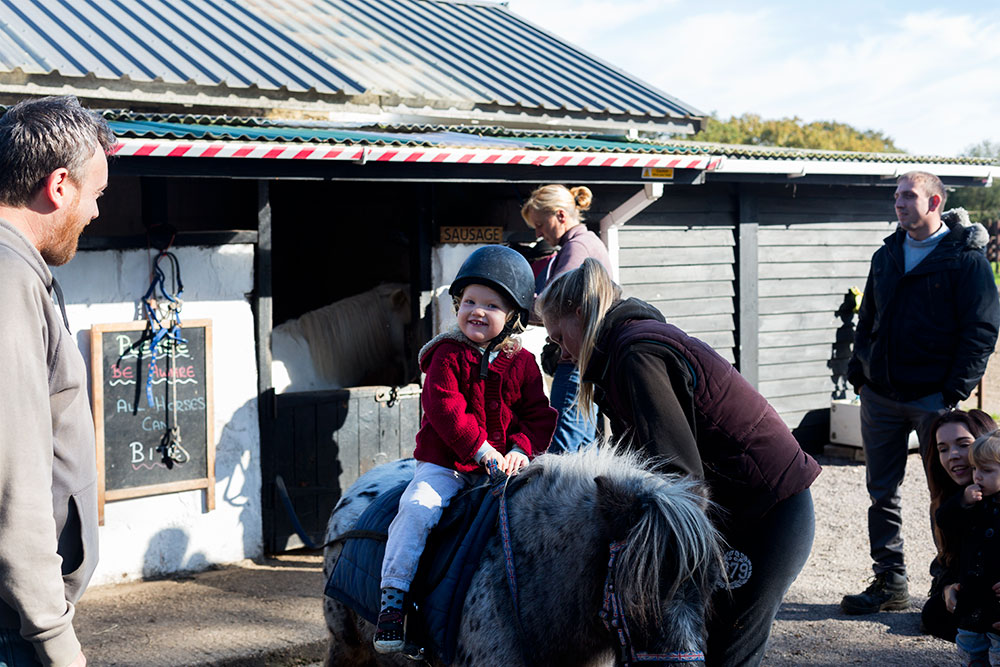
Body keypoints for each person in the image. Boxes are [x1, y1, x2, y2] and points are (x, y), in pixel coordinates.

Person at [536, 258, 820, 667]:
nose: (562, 353)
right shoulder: (627, 348)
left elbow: (677, 477)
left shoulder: (637, 355)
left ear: (581, 315)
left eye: (561, 337)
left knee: (727, 651)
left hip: (768, 514)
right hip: (742, 510)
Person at [374, 245, 557, 653]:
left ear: (513, 317)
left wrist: (521, 450)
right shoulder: (446, 354)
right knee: (418, 508)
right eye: (469, 301)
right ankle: (394, 599)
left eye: (491, 305)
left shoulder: (524, 363)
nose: (477, 310)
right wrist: (481, 449)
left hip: (505, 467)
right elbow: (443, 407)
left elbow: (539, 415)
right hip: (447, 465)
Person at [842, 171, 1000, 615]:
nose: (899, 203)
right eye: (896, 195)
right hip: (880, 396)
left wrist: (952, 391)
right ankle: (889, 583)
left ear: (934, 203)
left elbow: (982, 328)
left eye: (908, 195)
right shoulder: (887, 254)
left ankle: (948, 583)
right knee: (881, 491)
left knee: (949, 492)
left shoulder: (964, 259)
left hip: (933, 399)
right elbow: (867, 317)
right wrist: (860, 373)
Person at [0, 96, 115, 667]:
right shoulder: (9, 281)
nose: (95, 212)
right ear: (60, 185)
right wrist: (52, 638)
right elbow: (12, 480)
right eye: (96, 194)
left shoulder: (19, 271)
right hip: (13, 625)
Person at [521, 184, 611, 454]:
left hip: (574, 362)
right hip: (587, 360)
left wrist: (509, 306)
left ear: (560, 215)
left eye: (540, 224)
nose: (538, 233)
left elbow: (555, 307)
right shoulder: (589, 242)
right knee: (584, 448)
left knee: (561, 450)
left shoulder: (576, 248)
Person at [921, 410, 1000, 642]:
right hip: (982, 590)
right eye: (943, 449)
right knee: (935, 613)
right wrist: (948, 588)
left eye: (963, 444)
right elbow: (949, 562)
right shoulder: (953, 502)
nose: (952, 455)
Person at [935, 430, 1000, 665]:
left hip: (996, 601)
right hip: (972, 597)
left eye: (986, 470)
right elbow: (944, 520)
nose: (977, 477)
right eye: (975, 469)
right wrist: (962, 500)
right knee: (971, 649)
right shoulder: (975, 502)